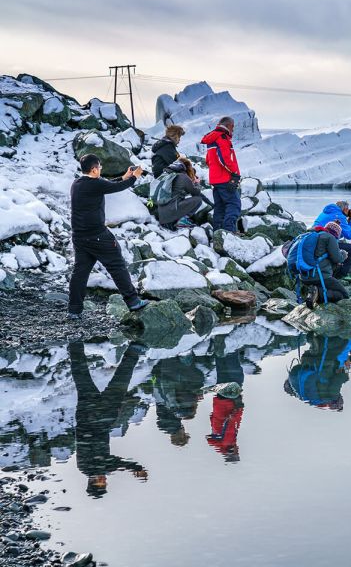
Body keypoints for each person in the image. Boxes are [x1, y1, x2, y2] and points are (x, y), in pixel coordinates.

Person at [68, 155, 148, 319]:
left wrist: (125, 177)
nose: (101, 170)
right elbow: (115, 188)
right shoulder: (95, 184)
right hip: (97, 235)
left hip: (79, 237)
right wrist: (134, 177)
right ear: (94, 169)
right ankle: (133, 301)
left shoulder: (77, 184)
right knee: (117, 264)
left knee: (80, 272)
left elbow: (107, 185)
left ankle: (74, 310)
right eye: (100, 167)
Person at [68, 341, 148, 497]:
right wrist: (134, 468)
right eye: (104, 483)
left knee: (118, 383)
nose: (103, 480)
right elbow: (116, 464)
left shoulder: (89, 468)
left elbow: (113, 464)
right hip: (91, 416)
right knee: (83, 378)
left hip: (96, 418)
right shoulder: (94, 468)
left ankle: (133, 351)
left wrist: (133, 468)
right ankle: (75, 344)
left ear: (92, 482)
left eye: (100, 483)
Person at [290, 221, 350, 307]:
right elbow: (337, 258)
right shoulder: (330, 237)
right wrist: (344, 254)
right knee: (344, 295)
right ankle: (318, 294)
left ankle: (313, 292)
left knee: (330, 284)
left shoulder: (313, 235)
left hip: (303, 276)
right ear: (336, 233)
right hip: (319, 276)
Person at [201, 116, 242, 233]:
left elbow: (208, 160)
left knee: (220, 207)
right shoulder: (222, 137)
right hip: (225, 179)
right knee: (234, 204)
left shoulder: (212, 138)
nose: (233, 130)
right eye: (233, 127)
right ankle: (229, 233)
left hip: (216, 179)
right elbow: (224, 159)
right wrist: (234, 174)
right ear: (229, 126)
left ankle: (218, 233)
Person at [312, 200, 351, 279]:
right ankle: (341, 275)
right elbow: (349, 235)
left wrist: (347, 222)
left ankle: (334, 267)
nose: (348, 211)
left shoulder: (327, 212)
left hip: (315, 241)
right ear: (344, 209)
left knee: (340, 242)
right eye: (348, 209)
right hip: (324, 244)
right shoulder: (339, 216)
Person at [157, 157, 206, 230]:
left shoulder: (167, 175)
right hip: (171, 212)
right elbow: (195, 193)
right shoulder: (183, 176)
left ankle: (177, 220)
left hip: (162, 214)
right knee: (198, 200)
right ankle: (182, 221)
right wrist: (196, 183)